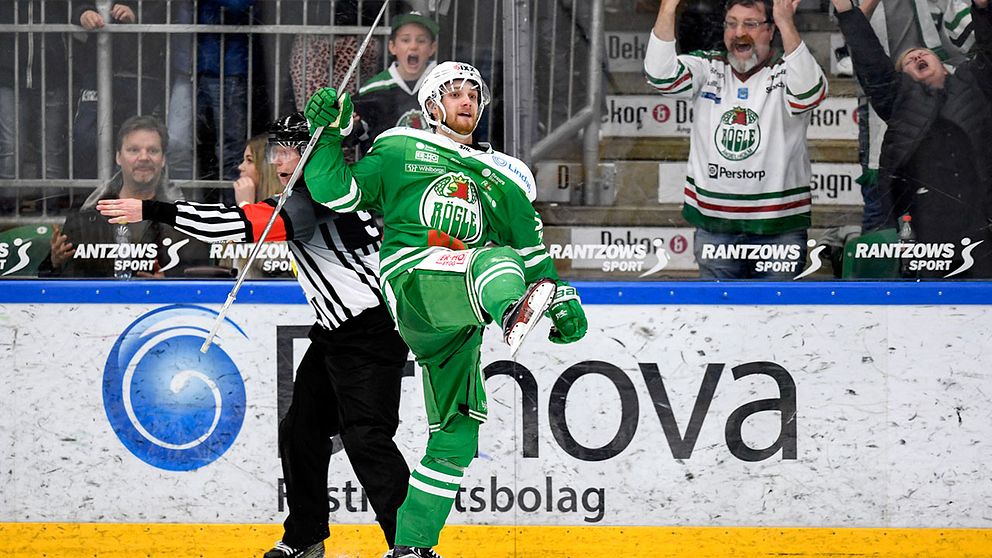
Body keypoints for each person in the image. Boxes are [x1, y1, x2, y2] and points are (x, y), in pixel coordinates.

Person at [302, 61, 589, 558]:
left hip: (459, 317)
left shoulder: (505, 175)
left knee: (457, 436)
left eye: (473, 96)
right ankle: (509, 311)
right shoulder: (399, 147)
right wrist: (328, 134)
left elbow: (533, 253)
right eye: (454, 93)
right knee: (493, 262)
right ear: (431, 105)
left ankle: (411, 545)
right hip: (413, 280)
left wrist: (562, 299)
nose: (466, 102)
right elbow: (337, 192)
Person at [96, 113, 412, 558]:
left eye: (295, 149)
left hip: (371, 332)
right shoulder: (325, 189)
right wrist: (348, 124)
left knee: (367, 439)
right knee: (301, 431)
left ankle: (410, 544)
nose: (283, 160)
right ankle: (305, 538)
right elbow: (355, 134)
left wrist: (153, 208)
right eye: (277, 150)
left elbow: (230, 226)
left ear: (316, 154)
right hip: (336, 334)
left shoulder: (311, 200)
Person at [645, 0, 828, 279]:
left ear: (770, 30)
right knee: (718, 317)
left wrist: (786, 22)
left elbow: (810, 93)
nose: (739, 32)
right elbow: (661, 77)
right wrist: (668, 7)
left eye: (751, 24)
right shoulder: (708, 67)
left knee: (780, 316)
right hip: (715, 226)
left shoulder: (787, 69)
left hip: (778, 228)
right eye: (732, 24)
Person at [832, 0, 992, 277]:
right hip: (926, 233)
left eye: (923, 54)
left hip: (982, 226)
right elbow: (872, 65)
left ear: (944, 66)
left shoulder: (973, 82)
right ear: (901, 78)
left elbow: (988, 49)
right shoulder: (898, 101)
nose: (917, 57)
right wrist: (847, 12)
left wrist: (983, 9)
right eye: (908, 60)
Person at [37, 114, 209, 278]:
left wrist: (168, 285)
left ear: (163, 159)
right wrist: (54, 264)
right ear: (118, 157)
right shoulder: (87, 216)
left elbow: (200, 281)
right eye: (134, 150)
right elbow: (60, 292)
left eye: (152, 151)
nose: (144, 157)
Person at [167, 0, 255, 187]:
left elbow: (241, 6)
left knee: (230, 152)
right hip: (187, 68)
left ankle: (232, 209)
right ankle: (180, 205)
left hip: (225, 68)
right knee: (176, 143)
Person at [350, 11, 439, 155]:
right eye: (405, 40)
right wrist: (352, 125)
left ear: (432, 48)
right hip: (387, 173)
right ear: (392, 47)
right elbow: (356, 135)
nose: (413, 46)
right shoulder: (373, 90)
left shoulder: (446, 87)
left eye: (421, 40)